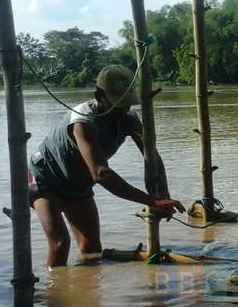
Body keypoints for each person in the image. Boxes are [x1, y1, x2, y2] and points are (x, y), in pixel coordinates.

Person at [28, 65, 184, 267]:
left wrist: (163, 195)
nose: (122, 110)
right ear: (99, 95)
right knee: (60, 244)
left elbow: (152, 155)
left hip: (77, 184)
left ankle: (86, 293)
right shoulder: (83, 122)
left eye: (126, 104)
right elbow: (100, 174)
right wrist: (150, 200)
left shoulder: (129, 120)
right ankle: (53, 296)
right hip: (43, 180)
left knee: (92, 248)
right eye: (117, 104)